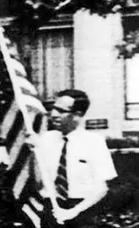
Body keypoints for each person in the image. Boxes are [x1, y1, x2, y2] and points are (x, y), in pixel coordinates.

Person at [33, 89, 117, 228]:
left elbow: (102, 188)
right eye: (53, 109)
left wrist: (74, 211)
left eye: (60, 111)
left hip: (82, 211)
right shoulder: (45, 139)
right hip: (51, 209)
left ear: (77, 115)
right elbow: (37, 181)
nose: (53, 114)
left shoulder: (94, 142)